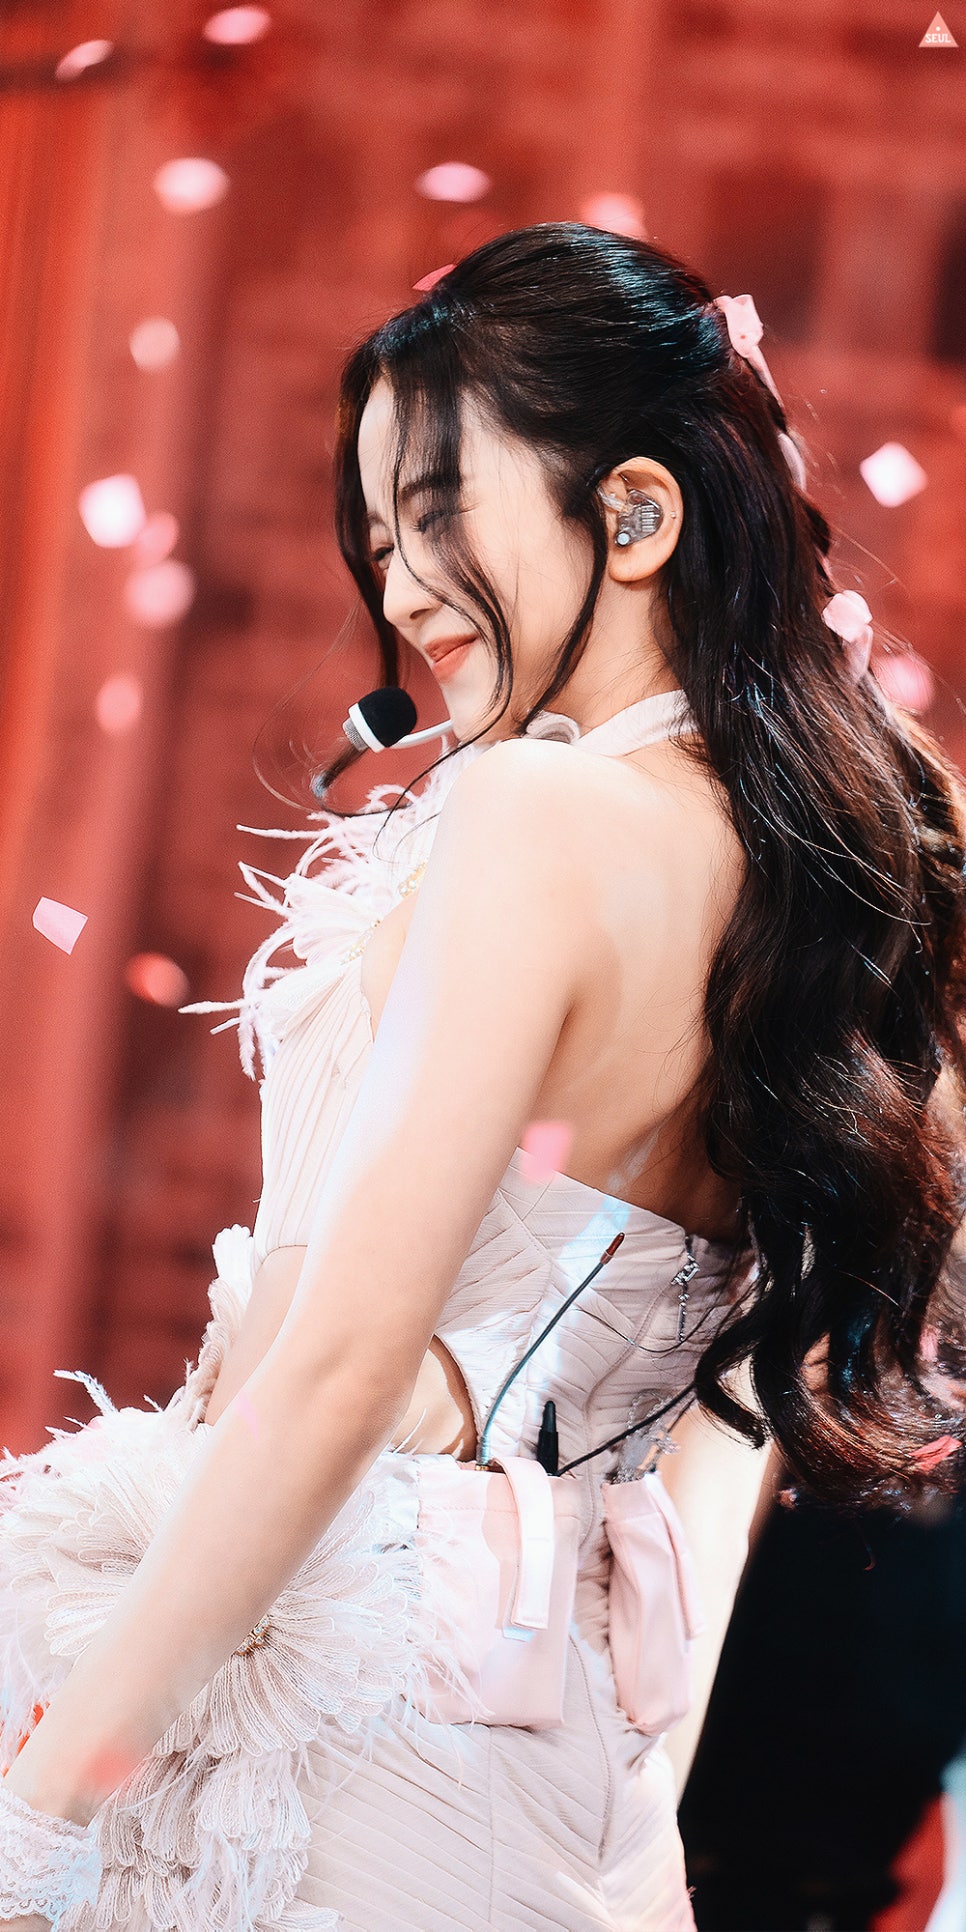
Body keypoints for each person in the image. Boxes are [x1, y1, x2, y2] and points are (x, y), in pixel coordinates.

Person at [1, 221, 965, 1932]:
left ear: (638, 516)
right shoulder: (818, 869)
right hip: (556, 1755)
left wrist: (50, 1801)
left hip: (333, 1713)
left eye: (439, 514)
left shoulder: (538, 813)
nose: (399, 591)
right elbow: (729, 1418)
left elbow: (341, 1369)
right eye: (378, 538)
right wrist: (626, 1815)